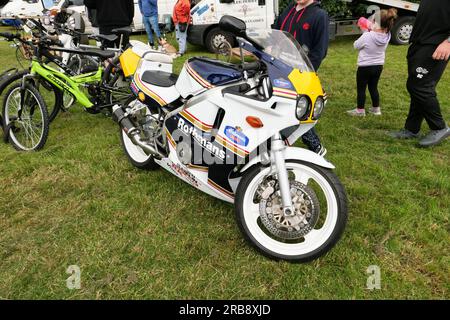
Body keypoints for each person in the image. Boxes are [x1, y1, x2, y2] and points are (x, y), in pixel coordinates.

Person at [389, 0, 450, 147]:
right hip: (420, 42)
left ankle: (439, 127)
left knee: (419, 86)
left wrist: (448, 42)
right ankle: (412, 129)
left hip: (437, 44)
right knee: (417, 86)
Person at [275, 0, 329, 155]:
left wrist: (306, 72)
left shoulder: (319, 15)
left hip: (302, 72)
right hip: (280, 67)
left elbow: (320, 51)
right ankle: (279, 142)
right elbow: (276, 33)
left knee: (300, 109)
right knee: (284, 105)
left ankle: (315, 147)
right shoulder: (289, 10)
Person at [347, 9, 398, 117]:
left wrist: (364, 31)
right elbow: (377, 32)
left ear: (376, 23)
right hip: (378, 66)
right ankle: (376, 109)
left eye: (373, 21)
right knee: (373, 87)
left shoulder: (367, 36)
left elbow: (356, 45)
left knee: (361, 88)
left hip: (364, 67)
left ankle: (360, 111)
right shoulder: (387, 36)